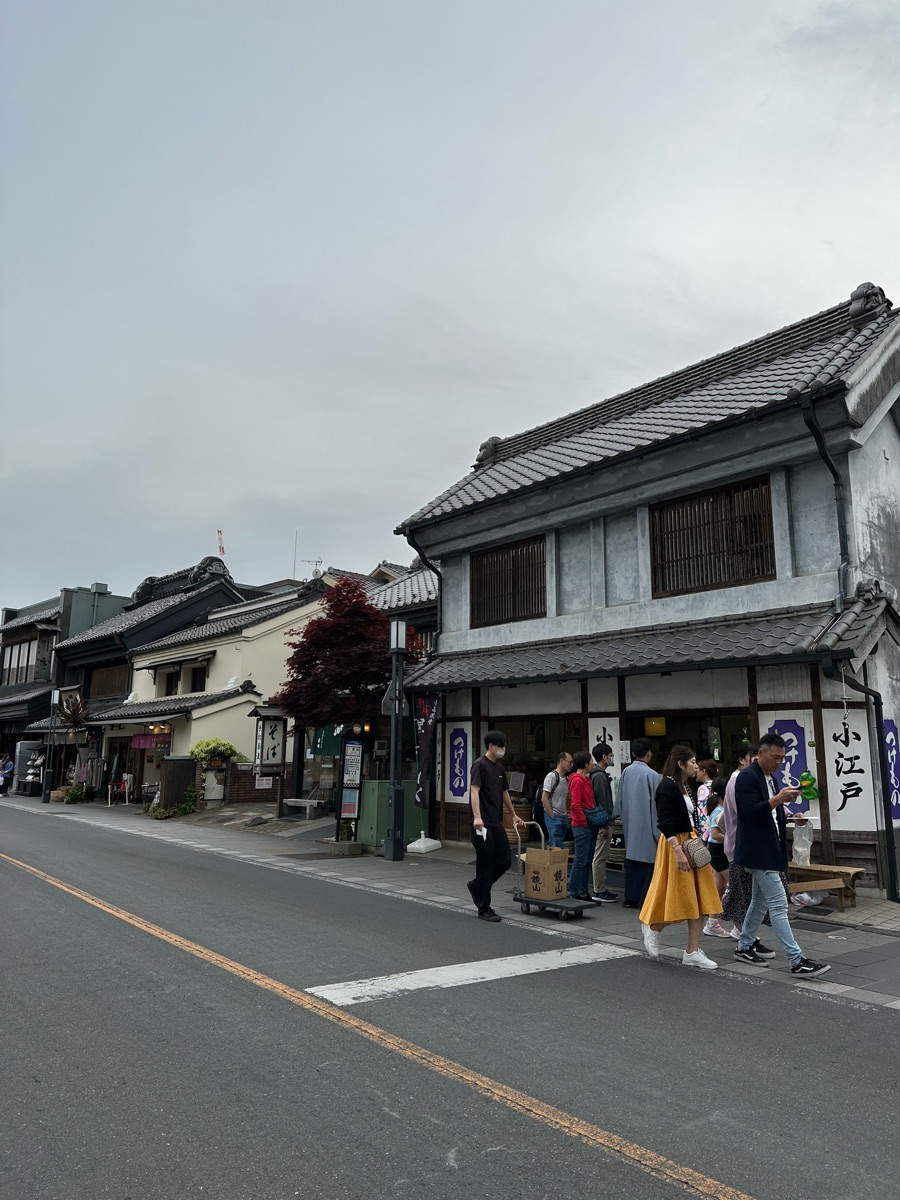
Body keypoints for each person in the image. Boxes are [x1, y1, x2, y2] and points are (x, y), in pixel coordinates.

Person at [733, 733, 831, 977]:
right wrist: (777, 800)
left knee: (761, 901)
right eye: (775, 757)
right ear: (761, 753)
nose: (779, 762)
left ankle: (745, 945)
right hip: (758, 851)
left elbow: (770, 812)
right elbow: (747, 812)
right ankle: (797, 960)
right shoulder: (747, 778)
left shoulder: (770, 778)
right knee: (778, 904)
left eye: (782, 758)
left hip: (769, 849)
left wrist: (788, 812)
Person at [639, 745, 721, 970]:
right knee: (681, 896)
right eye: (693, 762)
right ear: (680, 764)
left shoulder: (683, 785)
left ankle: (692, 951)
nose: (697, 766)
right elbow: (664, 822)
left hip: (689, 842)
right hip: (676, 844)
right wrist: (677, 851)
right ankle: (654, 927)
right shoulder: (667, 786)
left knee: (700, 898)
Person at [468, 730, 525, 923]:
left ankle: (478, 886)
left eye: (504, 746)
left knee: (504, 861)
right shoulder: (479, 766)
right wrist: (477, 817)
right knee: (485, 865)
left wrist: (514, 815)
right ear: (491, 746)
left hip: (496, 822)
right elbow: (474, 791)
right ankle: (484, 907)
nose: (503, 749)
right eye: (500, 746)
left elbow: (505, 794)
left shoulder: (499, 769)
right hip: (481, 824)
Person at [613, 738, 661, 908]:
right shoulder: (652, 775)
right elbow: (656, 806)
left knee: (632, 860)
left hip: (629, 823)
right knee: (647, 861)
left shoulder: (626, 772)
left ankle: (630, 898)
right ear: (649, 754)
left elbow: (619, 800)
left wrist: (617, 816)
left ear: (633, 753)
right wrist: (659, 832)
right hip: (647, 825)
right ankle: (644, 899)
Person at [702, 777, 732, 937]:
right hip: (718, 851)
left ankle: (712, 923)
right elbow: (714, 834)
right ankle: (740, 927)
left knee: (720, 888)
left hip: (718, 851)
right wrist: (733, 838)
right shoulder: (719, 811)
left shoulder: (720, 809)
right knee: (735, 886)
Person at [567, 750, 598, 900]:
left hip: (587, 824)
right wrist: (585, 821)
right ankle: (575, 891)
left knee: (586, 860)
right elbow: (575, 805)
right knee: (580, 859)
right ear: (585, 764)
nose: (593, 763)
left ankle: (583, 890)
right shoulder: (578, 780)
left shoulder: (584, 779)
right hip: (582, 825)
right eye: (591, 761)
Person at [589, 742, 617, 902]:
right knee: (600, 856)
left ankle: (601, 888)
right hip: (602, 821)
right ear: (604, 757)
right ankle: (599, 889)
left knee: (599, 855)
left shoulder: (596, 774)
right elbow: (602, 801)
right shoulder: (599, 776)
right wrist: (605, 823)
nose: (612, 758)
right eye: (611, 755)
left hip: (599, 821)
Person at [540, 751, 573, 849]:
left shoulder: (566, 778)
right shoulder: (552, 776)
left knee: (556, 843)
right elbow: (544, 798)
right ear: (561, 761)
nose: (571, 765)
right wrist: (552, 815)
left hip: (563, 815)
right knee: (557, 845)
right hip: (553, 815)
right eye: (569, 762)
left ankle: (549, 863)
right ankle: (557, 863)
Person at [695, 759, 718, 840]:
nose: (696, 773)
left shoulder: (703, 788)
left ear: (704, 771)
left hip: (708, 831)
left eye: (697, 770)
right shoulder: (717, 785)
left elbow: (702, 814)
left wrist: (703, 835)